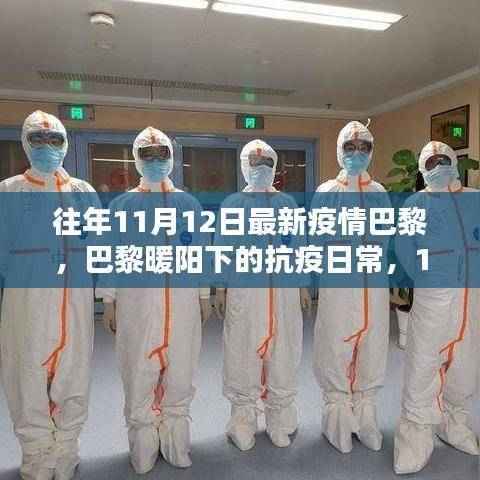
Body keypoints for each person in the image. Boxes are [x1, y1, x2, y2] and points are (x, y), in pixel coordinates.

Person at [97, 126, 211, 474]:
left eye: (162, 154)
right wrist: (109, 300)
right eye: (148, 155)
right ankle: (143, 444)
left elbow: (200, 253)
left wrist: (204, 293)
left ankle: (176, 441)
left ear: (172, 159)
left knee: (181, 370)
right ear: (137, 160)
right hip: (138, 304)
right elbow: (111, 255)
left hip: (182, 303)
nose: (155, 161)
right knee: (138, 370)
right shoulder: (122, 205)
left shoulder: (188, 204)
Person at [0, 111, 97, 480]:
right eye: (37, 140)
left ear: (65, 144)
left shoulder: (83, 193)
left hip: (75, 300)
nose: (46, 147)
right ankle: (36, 452)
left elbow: (97, 244)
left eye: (54, 140)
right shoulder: (8, 191)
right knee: (26, 373)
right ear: (25, 144)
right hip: (27, 301)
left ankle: (66, 447)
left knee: (75, 372)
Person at [215, 139, 312, 451]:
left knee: (283, 353)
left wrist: (303, 284)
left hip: (283, 292)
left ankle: (279, 418)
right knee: (243, 352)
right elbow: (222, 248)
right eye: (254, 163)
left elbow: (298, 246)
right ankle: (242, 421)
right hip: (246, 292)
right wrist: (220, 286)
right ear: (245, 166)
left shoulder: (287, 204)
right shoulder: (233, 205)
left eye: (267, 163)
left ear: (275, 167)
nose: (260, 169)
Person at [394, 141, 480, 474]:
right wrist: (430, 277)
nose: (439, 165)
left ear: (454, 162)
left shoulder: (475, 199)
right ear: (422, 169)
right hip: (434, 299)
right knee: (423, 363)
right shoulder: (415, 204)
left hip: (471, 300)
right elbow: (405, 250)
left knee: (466, 365)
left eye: (444, 159)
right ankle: (414, 438)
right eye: (431, 162)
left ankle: (454, 425)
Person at [311, 121, 390, 454]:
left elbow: (386, 239)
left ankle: (366, 414)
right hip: (339, 285)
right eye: (350, 147)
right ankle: (338, 417)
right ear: (339, 150)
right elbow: (316, 240)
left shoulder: (379, 193)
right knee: (336, 344)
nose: (357, 154)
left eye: (363, 148)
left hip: (374, 285)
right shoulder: (327, 192)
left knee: (373, 345)